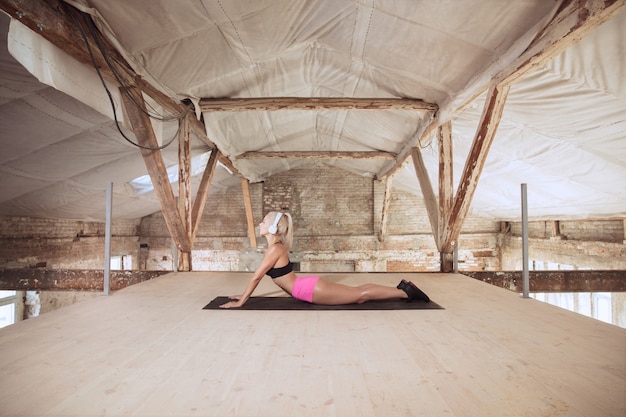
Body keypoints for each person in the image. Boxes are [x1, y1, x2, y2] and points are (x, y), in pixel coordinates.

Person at [219, 211, 430, 308]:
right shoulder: (275, 248)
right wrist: (243, 295)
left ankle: (405, 292)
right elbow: (257, 279)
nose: (260, 224)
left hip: (307, 290)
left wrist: (242, 301)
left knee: (359, 296)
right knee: (358, 293)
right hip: (306, 288)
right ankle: (402, 288)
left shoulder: (275, 249)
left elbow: (256, 278)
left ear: (273, 228)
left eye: (263, 222)